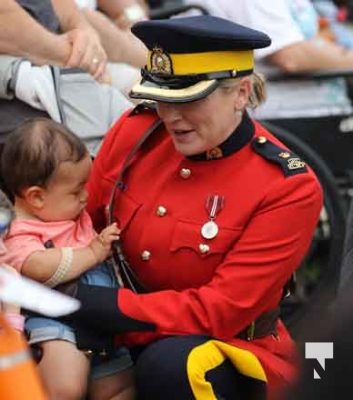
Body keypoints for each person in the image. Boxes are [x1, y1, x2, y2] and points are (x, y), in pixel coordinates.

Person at [53, 15, 324, 400]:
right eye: (162, 99)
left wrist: (97, 304)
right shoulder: (136, 133)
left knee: (173, 364)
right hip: (114, 328)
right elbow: (83, 224)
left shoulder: (287, 186)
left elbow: (218, 312)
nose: (169, 116)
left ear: (242, 92)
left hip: (225, 349)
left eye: (189, 100)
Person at [1, 118, 135, 400]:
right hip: (55, 322)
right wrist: (94, 252)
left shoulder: (66, 212)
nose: (86, 197)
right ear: (36, 197)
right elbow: (39, 268)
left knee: (121, 386)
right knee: (65, 386)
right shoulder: (20, 231)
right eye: (76, 191)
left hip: (102, 321)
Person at [0, 0, 133, 155]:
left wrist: (84, 31)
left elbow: (65, 8)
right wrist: (82, 60)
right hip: (25, 95)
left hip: (77, 66)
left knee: (152, 100)